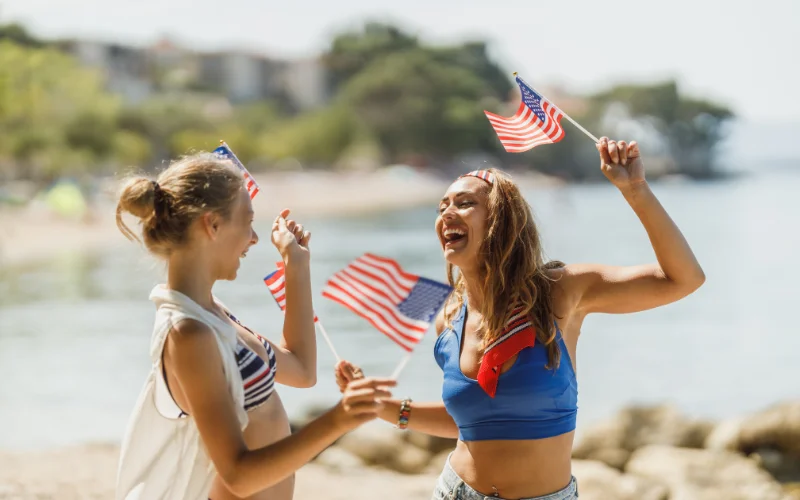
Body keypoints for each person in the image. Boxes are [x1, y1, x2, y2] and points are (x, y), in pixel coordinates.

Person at [335, 138, 705, 500]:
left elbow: (683, 279)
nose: (447, 213)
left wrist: (635, 189)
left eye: (465, 204)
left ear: (502, 219)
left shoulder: (561, 292)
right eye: (442, 206)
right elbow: (472, 421)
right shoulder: (449, 317)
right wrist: (382, 408)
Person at [114, 152, 394, 500]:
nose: (254, 238)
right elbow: (238, 475)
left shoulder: (213, 314)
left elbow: (301, 370)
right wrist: (338, 420)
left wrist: (296, 267)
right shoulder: (189, 333)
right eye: (247, 221)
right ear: (212, 224)